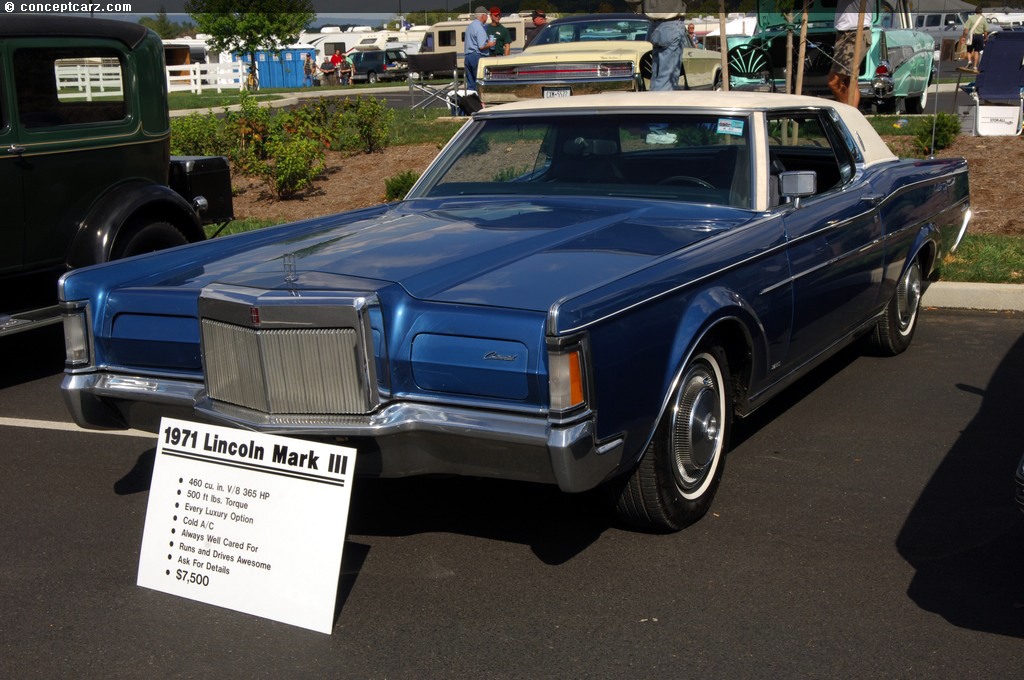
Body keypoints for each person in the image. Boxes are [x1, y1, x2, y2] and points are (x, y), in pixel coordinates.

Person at [627, 1, 686, 91]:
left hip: (655, 25)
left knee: (656, 75)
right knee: (667, 79)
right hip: (671, 23)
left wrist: (641, 7)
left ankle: (654, 101)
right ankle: (661, 103)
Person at [828, 0, 872, 108]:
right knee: (851, 81)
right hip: (846, 33)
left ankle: (847, 114)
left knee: (833, 82)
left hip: (855, 33)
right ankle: (853, 118)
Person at [464, 6, 495, 93]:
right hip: (477, 56)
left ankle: (470, 102)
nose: (487, 17)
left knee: (470, 84)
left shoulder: (470, 26)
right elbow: (481, 46)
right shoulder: (480, 28)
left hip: (468, 56)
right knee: (479, 82)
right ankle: (479, 103)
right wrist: (490, 44)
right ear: (482, 16)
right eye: (486, 15)